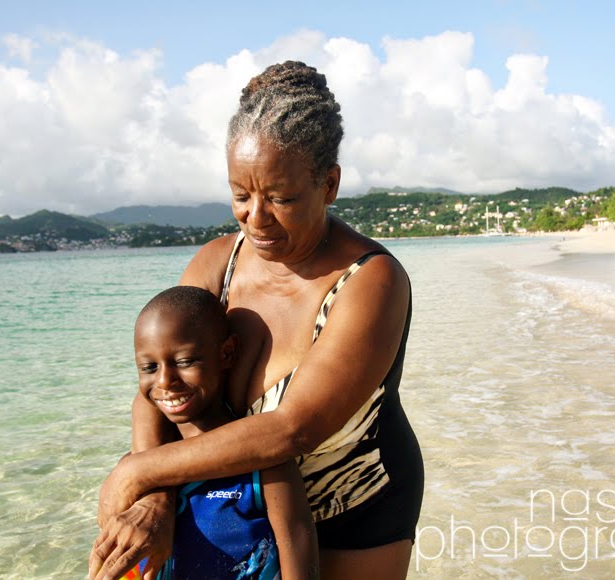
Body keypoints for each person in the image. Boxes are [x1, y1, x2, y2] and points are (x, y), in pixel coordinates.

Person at [91, 61, 424, 580]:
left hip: (350, 502)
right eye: (241, 195)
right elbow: (159, 383)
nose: (256, 217)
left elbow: (292, 429)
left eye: (281, 198)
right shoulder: (215, 264)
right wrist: (155, 497)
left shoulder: (372, 281)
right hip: (230, 504)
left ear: (329, 184)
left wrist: (137, 472)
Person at [118, 285, 318, 579]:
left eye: (184, 361)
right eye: (149, 367)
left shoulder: (265, 467)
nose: (164, 381)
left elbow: (300, 560)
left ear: (227, 353)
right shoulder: (136, 473)